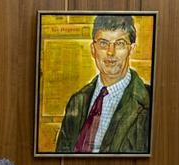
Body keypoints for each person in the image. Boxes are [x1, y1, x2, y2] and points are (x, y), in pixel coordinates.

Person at [55, 15, 151, 154]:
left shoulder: (149, 102)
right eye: (103, 43)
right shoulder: (77, 101)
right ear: (93, 49)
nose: (110, 52)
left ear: (132, 49)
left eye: (119, 44)